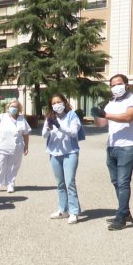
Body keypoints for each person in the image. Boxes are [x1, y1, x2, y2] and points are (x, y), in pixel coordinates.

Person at [91, 74, 133, 231]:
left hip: (128, 146)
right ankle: (125, 212)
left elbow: (128, 117)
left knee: (123, 182)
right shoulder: (111, 103)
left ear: (127, 85)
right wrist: (96, 113)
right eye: (112, 85)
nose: (116, 87)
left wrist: (105, 114)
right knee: (116, 182)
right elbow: (101, 124)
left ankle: (121, 217)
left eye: (119, 84)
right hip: (111, 146)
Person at [42, 94, 83, 224]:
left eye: (59, 102)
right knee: (60, 183)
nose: (56, 105)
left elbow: (73, 132)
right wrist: (48, 127)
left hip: (70, 152)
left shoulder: (72, 116)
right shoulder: (50, 117)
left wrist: (59, 127)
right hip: (54, 153)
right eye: (53, 103)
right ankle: (62, 209)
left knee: (69, 182)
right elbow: (44, 135)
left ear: (64, 102)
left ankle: (74, 211)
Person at [0, 100, 31, 193]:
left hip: (16, 147)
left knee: (13, 166)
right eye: (12, 106)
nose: (13, 108)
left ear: (19, 109)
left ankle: (10, 184)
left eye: (15, 107)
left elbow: (26, 134)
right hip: (2, 145)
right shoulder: (2, 117)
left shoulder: (22, 119)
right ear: (8, 107)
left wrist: (26, 146)